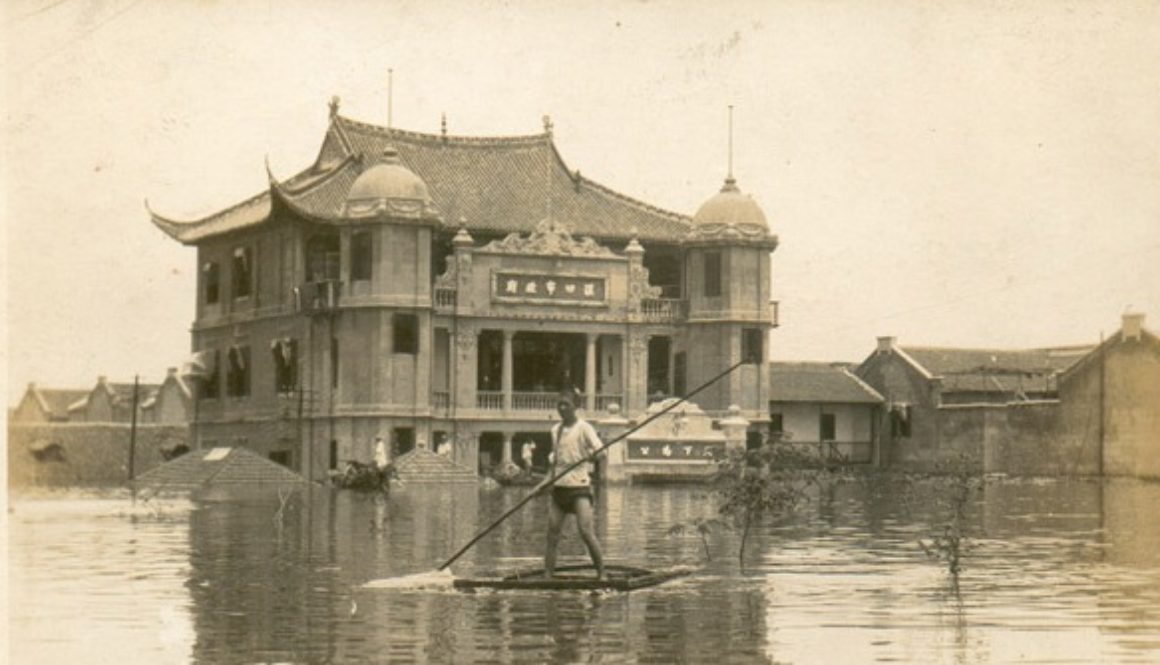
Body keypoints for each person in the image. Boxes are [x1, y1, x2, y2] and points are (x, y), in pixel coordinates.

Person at [535, 388, 604, 579]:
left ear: (576, 406)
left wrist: (593, 455)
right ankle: (548, 574)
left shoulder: (584, 428)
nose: (562, 408)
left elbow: (601, 452)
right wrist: (542, 484)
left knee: (585, 531)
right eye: (560, 404)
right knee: (552, 533)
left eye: (566, 404)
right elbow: (554, 464)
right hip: (559, 489)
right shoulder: (555, 430)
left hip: (579, 488)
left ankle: (602, 573)